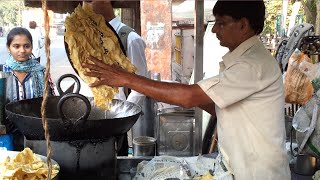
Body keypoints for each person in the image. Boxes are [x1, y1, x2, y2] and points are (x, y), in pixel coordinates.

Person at [82, 1, 291, 179]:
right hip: (241, 167)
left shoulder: (252, 65)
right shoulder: (245, 60)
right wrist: (164, 91)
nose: (215, 29)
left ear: (244, 25)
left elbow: (190, 96)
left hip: (257, 173)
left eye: (221, 23)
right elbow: (215, 106)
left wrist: (126, 78)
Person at [83, 1, 149, 156]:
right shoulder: (87, 36)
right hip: (90, 120)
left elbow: (140, 87)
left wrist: (121, 118)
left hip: (115, 124)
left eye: (89, 1)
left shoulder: (130, 38)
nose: (84, 5)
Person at [5, 27, 55, 150]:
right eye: (16, 46)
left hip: (36, 133)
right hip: (8, 132)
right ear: (8, 48)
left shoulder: (41, 72)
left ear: (32, 47)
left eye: (26, 46)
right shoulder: (3, 73)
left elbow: (51, 102)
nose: (22, 50)